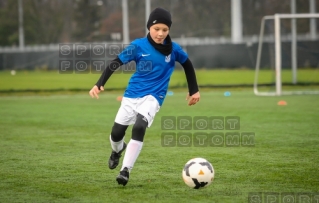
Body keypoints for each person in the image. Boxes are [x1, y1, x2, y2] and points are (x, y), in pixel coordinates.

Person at [89, 7, 200, 186]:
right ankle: (117, 151)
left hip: (154, 96)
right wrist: (99, 83)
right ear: (149, 27)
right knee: (116, 134)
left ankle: (125, 170)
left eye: (165, 30)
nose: (161, 33)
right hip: (132, 95)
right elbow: (116, 62)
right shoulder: (138, 46)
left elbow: (188, 64)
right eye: (157, 29)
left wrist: (194, 89)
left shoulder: (174, 49)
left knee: (140, 126)